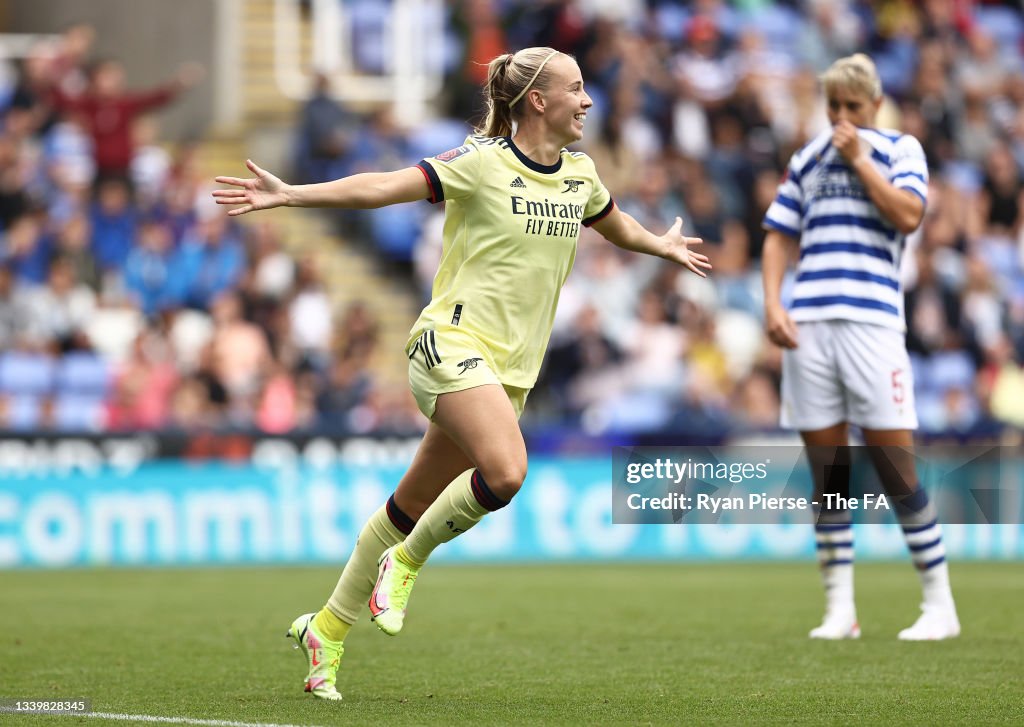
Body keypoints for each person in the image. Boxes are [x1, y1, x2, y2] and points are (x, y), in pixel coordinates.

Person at [213, 47, 710, 700]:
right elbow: (382, 185)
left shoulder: (581, 176)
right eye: (577, 89)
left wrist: (660, 243)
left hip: (509, 371)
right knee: (506, 471)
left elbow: (616, 226)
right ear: (539, 100)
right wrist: (293, 193)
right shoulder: (481, 162)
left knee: (406, 502)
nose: (589, 101)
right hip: (447, 342)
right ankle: (409, 560)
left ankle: (327, 628)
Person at [761, 54, 959, 641]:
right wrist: (773, 303)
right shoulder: (806, 158)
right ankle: (839, 611)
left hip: (872, 323)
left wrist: (860, 160)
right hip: (809, 325)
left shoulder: (901, 150)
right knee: (829, 474)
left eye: (853, 106)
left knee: (895, 467)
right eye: (834, 106)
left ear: (874, 105)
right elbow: (778, 235)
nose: (843, 116)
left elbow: (908, 215)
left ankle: (939, 604)